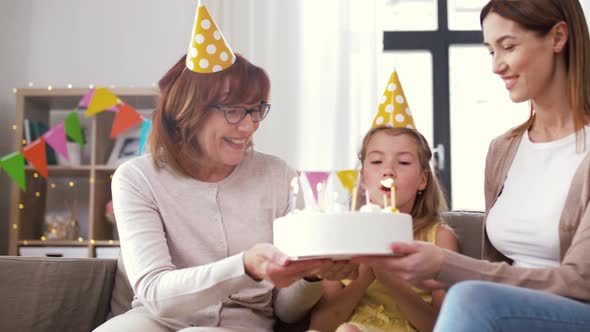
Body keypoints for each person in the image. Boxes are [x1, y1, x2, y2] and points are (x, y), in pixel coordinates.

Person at [355, 1, 590, 331]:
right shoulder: (503, 150)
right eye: (490, 51)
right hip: (507, 311)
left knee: (470, 298)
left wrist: (446, 264)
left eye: (508, 47)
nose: (497, 66)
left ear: (558, 37)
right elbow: (494, 267)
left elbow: (582, 282)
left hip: (575, 311)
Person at [94, 38, 358, 332]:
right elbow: (156, 294)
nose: (249, 126)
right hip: (155, 320)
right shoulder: (137, 177)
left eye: (256, 109)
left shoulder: (278, 176)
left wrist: (311, 276)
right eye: (234, 110)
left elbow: (286, 311)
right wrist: (245, 266)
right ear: (188, 111)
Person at [309, 126, 459, 332]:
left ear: (422, 179)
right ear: (362, 178)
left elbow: (443, 327)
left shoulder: (440, 238)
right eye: (377, 161)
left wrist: (390, 278)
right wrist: (364, 277)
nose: (388, 170)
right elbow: (320, 326)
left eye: (404, 162)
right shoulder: (341, 234)